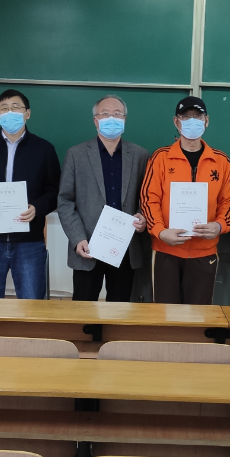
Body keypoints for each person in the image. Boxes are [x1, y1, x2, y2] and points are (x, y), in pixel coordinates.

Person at [0, 89, 61, 300]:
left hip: (30, 241)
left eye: (16, 108)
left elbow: (55, 190)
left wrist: (37, 208)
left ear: (27, 113)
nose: (10, 113)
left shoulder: (44, 149)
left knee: (31, 304)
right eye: (4, 109)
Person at [140, 96, 230, 305]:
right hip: (166, 250)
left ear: (206, 121)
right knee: (165, 314)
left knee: (198, 315)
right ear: (176, 121)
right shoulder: (160, 157)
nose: (192, 121)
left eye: (198, 116)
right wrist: (160, 231)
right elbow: (149, 199)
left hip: (204, 252)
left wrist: (219, 226)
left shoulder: (221, 161)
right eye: (186, 117)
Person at [57, 95, 150, 302]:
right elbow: (65, 201)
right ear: (95, 120)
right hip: (88, 245)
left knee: (120, 309)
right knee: (84, 308)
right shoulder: (76, 154)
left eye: (117, 114)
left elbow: (148, 198)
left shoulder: (140, 155)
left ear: (125, 119)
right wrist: (78, 238)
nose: (112, 118)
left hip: (125, 247)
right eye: (105, 114)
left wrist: (143, 217)